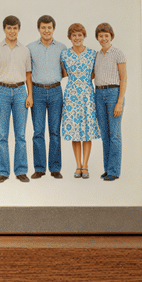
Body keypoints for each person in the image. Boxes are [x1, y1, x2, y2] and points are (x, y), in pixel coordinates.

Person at [0, 16, 33, 183]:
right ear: (4, 29)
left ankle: (21, 171)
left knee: (20, 134)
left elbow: (28, 75)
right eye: (9, 28)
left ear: (19, 29)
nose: (12, 31)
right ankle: (3, 171)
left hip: (21, 91)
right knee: (2, 135)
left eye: (15, 28)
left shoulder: (25, 50)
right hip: (2, 92)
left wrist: (30, 95)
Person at [26, 15, 65, 180]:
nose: (46, 30)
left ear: (54, 29)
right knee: (38, 131)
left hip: (56, 91)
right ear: (38, 29)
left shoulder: (62, 48)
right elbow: (28, 73)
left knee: (55, 131)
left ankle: (55, 168)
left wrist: (53, 80)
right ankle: (40, 168)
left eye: (49, 27)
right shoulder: (30, 48)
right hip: (38, 92)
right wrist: (30, 94)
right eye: (43, 27)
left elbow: (65, 70)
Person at [60, 23, 100, 179]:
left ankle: (86, 165)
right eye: (74, 35)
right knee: (74, 132)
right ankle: (78, 165)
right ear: (70, 37)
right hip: (71, 96)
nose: (77, 38)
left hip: (87, 95)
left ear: (84, 36)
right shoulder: (64, 55)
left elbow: (94, 74)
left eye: (79, 35)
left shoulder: (92, 54)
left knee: (87, 131)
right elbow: (63, 73)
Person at [92, 22, 127, 182]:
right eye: (101, 36)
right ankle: (107, 169)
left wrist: (119, 102)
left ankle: (114, 170)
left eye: (106, 35)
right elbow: (91, 75)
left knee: (114, 135)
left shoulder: (118, 53)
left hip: (114, 94)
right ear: (97, 38)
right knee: (104, 134)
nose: (104, 38)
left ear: (111, 36)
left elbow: (123, 78)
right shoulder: (96, 55)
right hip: (99, 94)